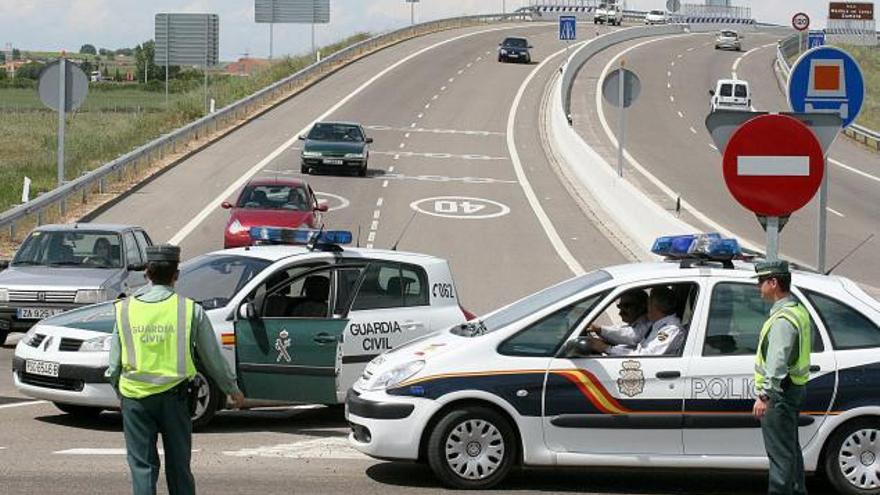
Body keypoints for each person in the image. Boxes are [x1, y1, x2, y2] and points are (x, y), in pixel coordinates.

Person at [106, 245, 245, 495]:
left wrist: (120, 391)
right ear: (176, 275)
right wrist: (231, 389)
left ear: (147, 273)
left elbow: (114, 363)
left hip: (135, 399)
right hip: (176, 399)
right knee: (179, 467)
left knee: (142, 467)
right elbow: (212, 357)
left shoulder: (125, 309)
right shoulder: (190, 310)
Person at [751, 260, 811, 495]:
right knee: (790, 453)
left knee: (780, 459)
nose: (758, 287)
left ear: (773, 283)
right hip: (793, 389)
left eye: (760, 281)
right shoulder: (798, 311)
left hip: (779, 394)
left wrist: (764, 395)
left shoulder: (783, 320)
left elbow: (777, 362)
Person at [590, 286, 685, 356]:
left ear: (657, 307)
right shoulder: (658, 324)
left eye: (649, 303)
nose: (646, 308)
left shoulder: (670, 329)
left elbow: (646, 355)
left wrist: (607, 349)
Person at [584, 289, 650, 353]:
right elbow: (619, 329)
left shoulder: (647, 323)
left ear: (642, 306)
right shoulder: (635, 324)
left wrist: (599, 330)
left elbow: (633, 336)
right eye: (619, 306)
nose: (621, 311)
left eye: (626, 306)